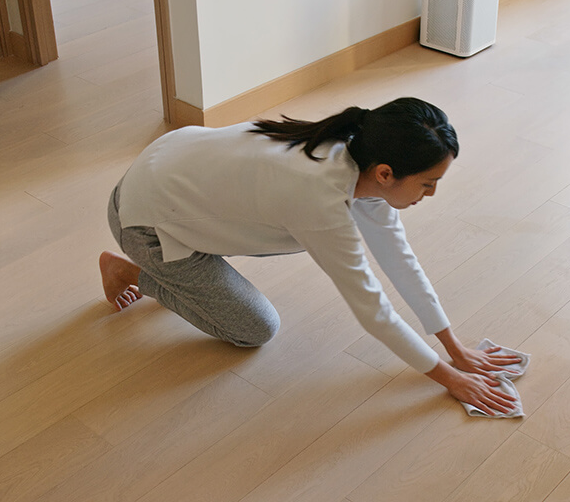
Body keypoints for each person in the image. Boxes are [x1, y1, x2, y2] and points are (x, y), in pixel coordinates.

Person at [100, 97, 521, 415]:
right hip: (145, 220)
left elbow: (398, 258)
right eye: (428, 184)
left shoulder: (361, 151)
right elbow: (373, 310)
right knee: (254, 329)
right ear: (386, 174)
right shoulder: (318, 198)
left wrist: (454, 346)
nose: (431, 194)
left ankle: (154, 266)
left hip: (167, 177)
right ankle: (131, 271)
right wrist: (449, 379)